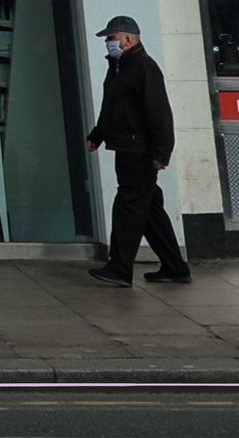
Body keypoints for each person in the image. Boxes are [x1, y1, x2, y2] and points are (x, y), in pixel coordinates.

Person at [86, 15, 192, 288]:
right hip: (126, 146)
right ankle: (175, 267)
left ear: (128, 39)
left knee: (129, 206)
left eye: (111, 38)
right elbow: (112, 108)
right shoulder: (119, 68)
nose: (109, 43)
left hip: (139, 151)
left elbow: (159, 112)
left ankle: (119, 268)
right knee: (148, 210)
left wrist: (161, 152)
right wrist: (98, 134)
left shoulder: (144, 68)